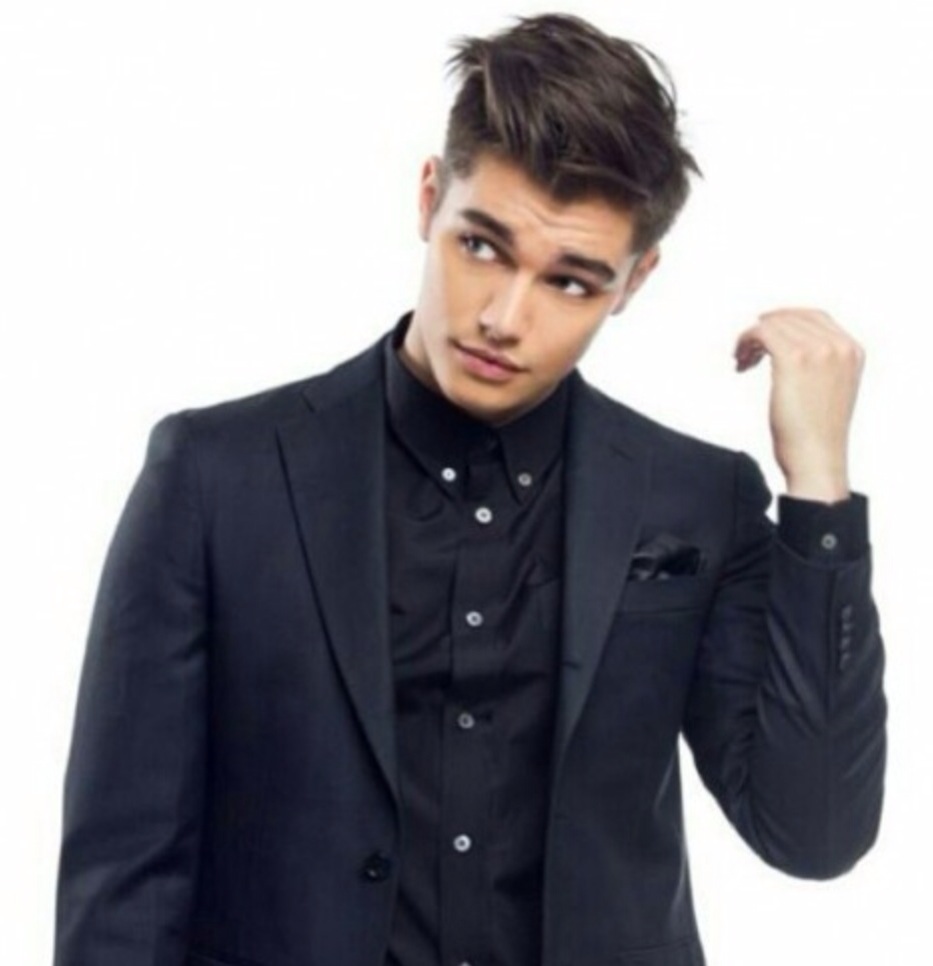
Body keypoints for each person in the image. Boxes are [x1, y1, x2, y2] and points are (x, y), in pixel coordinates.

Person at [52, 12, 886, 966]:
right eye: (482, 246)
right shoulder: (215, 476)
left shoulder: (698, 498)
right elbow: (123, 881)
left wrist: (818, 493)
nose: (503, 318)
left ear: (633, 280)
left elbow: (813, 833)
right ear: (427, 198)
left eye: (571, 282)